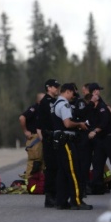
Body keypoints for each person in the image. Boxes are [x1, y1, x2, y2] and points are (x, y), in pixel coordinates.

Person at [51, 83, 92, 210]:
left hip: (59, 141)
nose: (74, 96)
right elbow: (67, 124)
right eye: (73, 93)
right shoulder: (64, 104)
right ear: (67, 92)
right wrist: (80, 124)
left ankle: (61, 201)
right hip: (66, 141)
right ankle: (77, 201)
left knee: (63, 173)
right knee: (74, 171)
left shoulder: (55, 104)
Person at [88, 90, 111, 195]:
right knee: (97, 163)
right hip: (100, 139)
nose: (90, 101)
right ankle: (98, 186)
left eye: (91, 99)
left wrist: (94, 131)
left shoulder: (102, 108)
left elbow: (103, 124)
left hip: (109, 139)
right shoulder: (93, 109)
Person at [37, 79, 61, 208]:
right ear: (49, 88)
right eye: (55, 87)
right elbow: (40, 124)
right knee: (51, 168)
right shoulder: (45, 102)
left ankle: (57, 194)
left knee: (57, 167)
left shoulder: (57, 101)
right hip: (49, 139)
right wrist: (44, 138)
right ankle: (49, 196)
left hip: (57, 138)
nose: (57, 89)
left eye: (58, 87)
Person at [73, 83, 95, 197]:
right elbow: (82, 113)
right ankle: (83, 186)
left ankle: (87, 184)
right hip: (82, 136)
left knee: (88, 162)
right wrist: (91, 104)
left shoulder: (93, 104)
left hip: (90, 136)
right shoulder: (81, 102)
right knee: (83, 162)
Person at [19, 92, 45, 180]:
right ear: (38, 101)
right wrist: (25, 131)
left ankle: (39, 183)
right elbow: (22, 118)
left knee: (42, 163)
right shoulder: (34, 108)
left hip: (42, 137)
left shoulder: (44, 109)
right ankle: (28, 182)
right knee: (34, 161)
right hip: (34, 138)